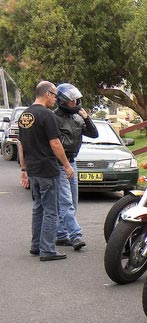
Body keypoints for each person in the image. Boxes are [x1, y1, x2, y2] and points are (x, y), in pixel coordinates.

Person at [18, 81, 75, 261]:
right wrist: (66, 165)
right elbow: (55, 143)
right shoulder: (47, 115)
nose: (56, 99)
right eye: (55, 95)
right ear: (48, 94)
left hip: (33, 169)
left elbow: (21, 144)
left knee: (38, 208)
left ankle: (36, 245)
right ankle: (48, 249)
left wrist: (24, 169)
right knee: (51, 210)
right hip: (47, 169)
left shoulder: (25, 115)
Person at [53, 83, 98, 250]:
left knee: (73, 201)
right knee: (66, 202)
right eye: (72, 101)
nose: (75, 103)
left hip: (72, 162)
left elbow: (94, 134)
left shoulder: (77, 118)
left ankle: (61, 234)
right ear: (63, 101)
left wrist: (86, 117)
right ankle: (75, 235)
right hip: (59, 164)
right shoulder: (54, 118)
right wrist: (64, 164)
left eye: (76, 100)